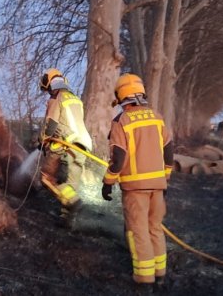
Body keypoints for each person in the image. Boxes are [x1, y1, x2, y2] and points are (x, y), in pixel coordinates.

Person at [101, 73, 174, 290]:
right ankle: (160, 274)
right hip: (158, 187)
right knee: (155, 228)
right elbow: (168, 151)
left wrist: (107, 182)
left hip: (135, 189)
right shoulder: (157, 117)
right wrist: (166, 177)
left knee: (138, 231)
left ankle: (144, 281)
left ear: (122, 96)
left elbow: (119, 159)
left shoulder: (121, 121)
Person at [37, 68, 93, 222]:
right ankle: (67, 220)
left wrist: (42, 140)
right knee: (71, 185)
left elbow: (51, 125)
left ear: (50, 84)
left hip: (67, 144)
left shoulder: (56, 98)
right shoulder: (76, 100)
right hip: (83, 146)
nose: (48, 92)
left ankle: (74, 202)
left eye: (47, 89)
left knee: (47, 178)